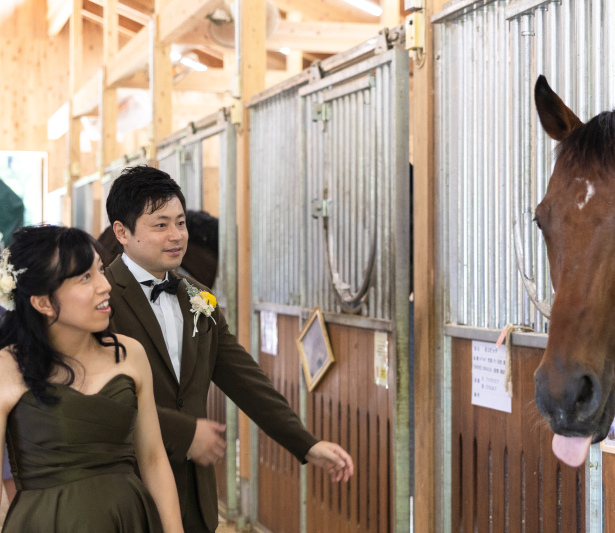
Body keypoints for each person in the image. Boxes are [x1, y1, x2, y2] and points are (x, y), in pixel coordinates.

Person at [105, 166, 354, 533]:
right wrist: (185, 432)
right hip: (127, 489)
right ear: (122, 232)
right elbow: (104, 399)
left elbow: (246, 379)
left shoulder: (198, 295)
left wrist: (306, 443)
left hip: (194, 495)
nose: (177, 236)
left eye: (181, 223)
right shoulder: (101, 299)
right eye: (160, 225)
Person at [0, 225, 184, 532]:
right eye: (85, 277)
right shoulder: (6, 367)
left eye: (100, 270)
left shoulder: (130, 354)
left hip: (129, 520)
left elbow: (152, 459)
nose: (105, 285)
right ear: (43, 302)